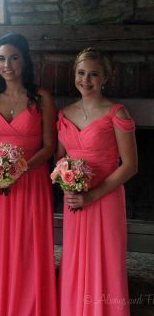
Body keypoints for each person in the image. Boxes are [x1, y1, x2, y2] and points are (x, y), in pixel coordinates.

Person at [56, 47, 138, 315]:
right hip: (75, 200)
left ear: (106, 78)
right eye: (81, 73)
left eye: (93, 74)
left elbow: (130, 166)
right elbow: (60, 158)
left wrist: (92, 195)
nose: (86, 80)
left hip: (105, 199)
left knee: (105, 262)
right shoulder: (64, 114)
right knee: (76, 262)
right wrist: (65, 179)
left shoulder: (117, 113)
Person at [0, 33, 58, 316]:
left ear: (25, 60)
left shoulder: (41, 98)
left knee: (29, 249)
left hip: (32, 181)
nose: (7, 64)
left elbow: (50, 146)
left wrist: (20, 169)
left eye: (13, 57)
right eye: (1, 58)